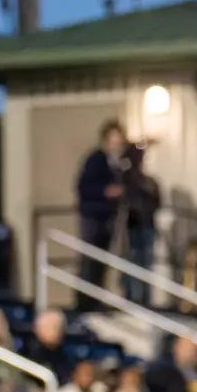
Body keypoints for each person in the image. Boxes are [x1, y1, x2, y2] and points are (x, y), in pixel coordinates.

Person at [74, 120, 126, 310]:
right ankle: (85, 302)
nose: (118, 142)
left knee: (101, 262)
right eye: (114, 138)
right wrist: (105, 191)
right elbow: (83, 187)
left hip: (107, 219)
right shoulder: (96, 159)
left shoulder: (116, 163)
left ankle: (96, 299)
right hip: (93, 217)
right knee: (90, 260)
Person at [120, 140, 161, 305]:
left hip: (146, 226)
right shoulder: (127, 180)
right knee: (132, 261)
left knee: (146, 262)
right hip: (132, 226)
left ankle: (145, 298)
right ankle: (131, 296)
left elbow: (157, 202)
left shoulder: (149, 182)